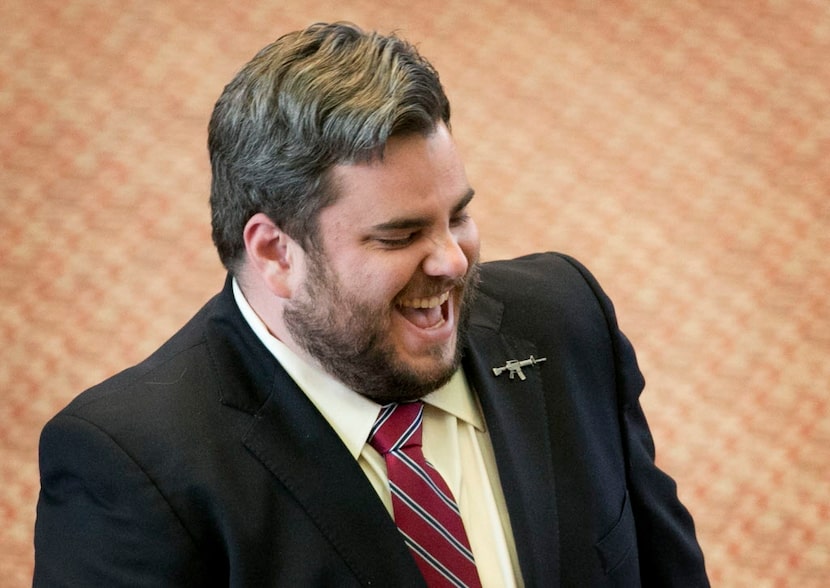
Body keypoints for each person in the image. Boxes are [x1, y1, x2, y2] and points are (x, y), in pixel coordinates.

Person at [33, 22, 709, 587]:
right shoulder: (130, 472)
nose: (452, 261)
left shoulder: (564, 320)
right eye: (400, 235)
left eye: (458, 217)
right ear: (274, 252)